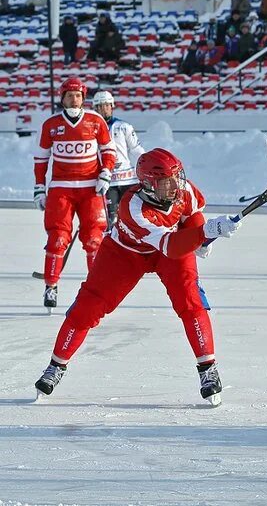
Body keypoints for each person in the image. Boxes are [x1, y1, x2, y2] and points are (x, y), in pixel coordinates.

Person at [33, 148, 242, 406]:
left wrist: (201, 233)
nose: (175, 186)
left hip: (171, 247)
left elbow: (191, 213)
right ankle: (56, 365)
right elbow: (170, 245)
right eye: (167, 182)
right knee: (88, 307)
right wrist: (205, 233)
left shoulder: (183, 190)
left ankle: (208, 369)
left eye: (177, 178)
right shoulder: (132, 207)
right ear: (148, 185)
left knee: (191, 300)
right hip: (126, 253)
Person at [34, 77, 116, 310]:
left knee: (94, 240)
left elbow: (109, 150)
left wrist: (105, 174)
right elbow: (41, 160)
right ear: (62, 98)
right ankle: (51, 287)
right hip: (61, 189)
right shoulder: (51, 124)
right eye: (70, 95)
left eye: (78, 95)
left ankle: (97, 290)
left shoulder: (95, 120)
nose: (74, 99)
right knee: (58, 239)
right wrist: (39, 188)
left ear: (83, 98)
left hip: (90, 188)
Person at [92, 90, 146, 228]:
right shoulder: (90, 129)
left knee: (133, 216)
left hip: (128, 179)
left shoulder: (124, 127)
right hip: (108, 182)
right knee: (112, 220)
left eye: (106, 105)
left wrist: (147, 165)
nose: (103, 109)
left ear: (112, 106)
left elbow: (136, 149)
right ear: (95, 108)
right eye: (99, 106)